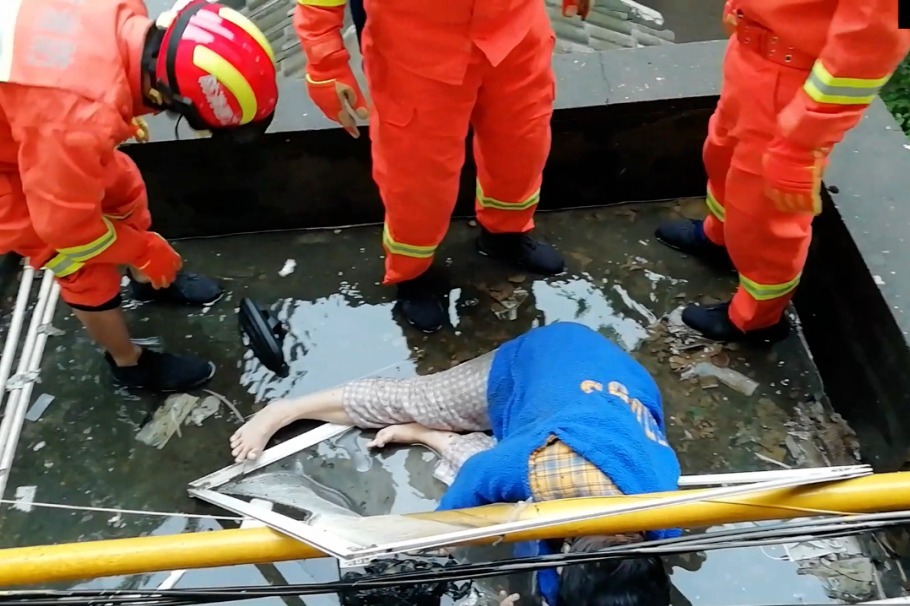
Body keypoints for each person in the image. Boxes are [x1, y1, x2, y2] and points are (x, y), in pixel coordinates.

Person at [231, 321, 680, 606]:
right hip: (543, 363)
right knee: (415, 402)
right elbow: (458, 517)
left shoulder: (668, 522)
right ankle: (285, 408)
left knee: (503, 494)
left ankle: (432, 437)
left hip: (616, 393)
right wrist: (429, 558)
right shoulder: (534, 466)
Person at [0, 0, 279, 391]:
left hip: (27, 118)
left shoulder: (122, 12)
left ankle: (147, 282)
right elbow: (67, 230)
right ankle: (129, 363)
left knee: (122, 183)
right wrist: (143, 250)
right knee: (76, 263)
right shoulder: (79, 120)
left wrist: (140, 252)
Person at [291, 0, 596, 334]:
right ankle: (413, 274)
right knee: (416, 178)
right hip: (415, 48)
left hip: (517, 31)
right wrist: (325, 62)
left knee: (522, 146)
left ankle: (506, 235)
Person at [654, 0, 910, 343]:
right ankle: (721, 237)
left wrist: (801, 143)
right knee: (722, 156)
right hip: (753, 55)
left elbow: (868, 49)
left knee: (766, 212)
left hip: (797, 87)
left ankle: (756, 317)